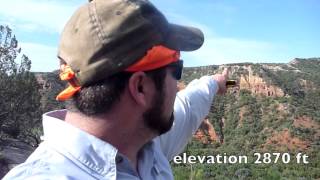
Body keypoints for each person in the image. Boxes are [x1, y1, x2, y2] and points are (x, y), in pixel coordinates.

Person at [4, 0, 228, 179]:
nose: (178, 85)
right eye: (176, 69)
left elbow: (189, 105)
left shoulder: (143, 149)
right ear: (140, 87)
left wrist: (216, 82)